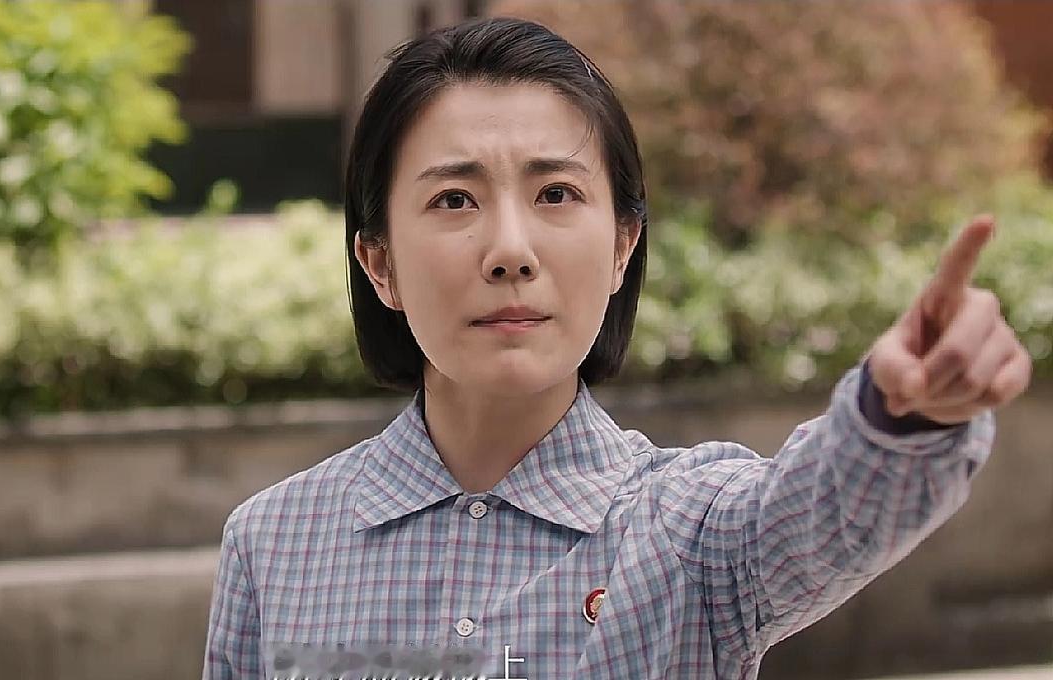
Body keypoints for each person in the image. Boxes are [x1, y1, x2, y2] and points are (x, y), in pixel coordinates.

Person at [202, 16, 1031, 680]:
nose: (510, 250)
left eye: (556, 193)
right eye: (454, 199)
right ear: (379, 262)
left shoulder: (689, 533)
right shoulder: (275, 544)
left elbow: (823, 509)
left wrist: (904, 414)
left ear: (622, 247)